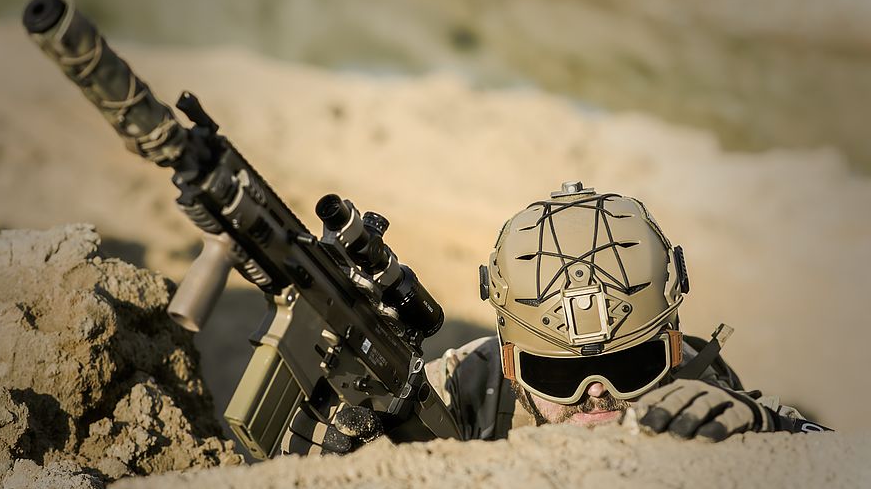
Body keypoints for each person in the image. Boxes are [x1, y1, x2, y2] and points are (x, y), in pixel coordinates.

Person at [282, 183, 825, 455]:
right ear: (513, 363)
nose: (596, 396)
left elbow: (831, 456)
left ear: (672, 347)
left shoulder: (695, 385)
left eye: (632, 365)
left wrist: (764, 427)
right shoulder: (467, 385)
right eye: (559, 376)